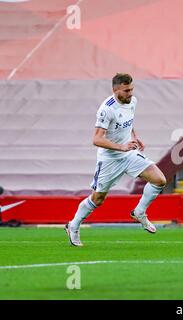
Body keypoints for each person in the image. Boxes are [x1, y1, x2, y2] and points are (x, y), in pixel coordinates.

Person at [65, 73, 167, 247]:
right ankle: (73, 225)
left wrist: (135, 136)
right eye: (126, 90)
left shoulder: (132, 102)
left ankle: (139, 212)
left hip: (128, 154)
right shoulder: (107, 109)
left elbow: (128, 121)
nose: (130, 93)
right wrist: (122, 147)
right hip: (109, 159)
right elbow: (96, 139)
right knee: (98, 199)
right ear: (115, 90)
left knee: (159, 180)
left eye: (132, 89)